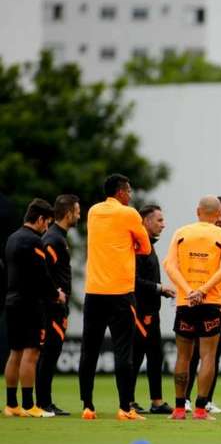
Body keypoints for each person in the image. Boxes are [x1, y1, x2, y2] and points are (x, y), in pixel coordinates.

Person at [80, 174, 151, 420]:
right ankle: (124, 407)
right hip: (120, 292)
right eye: (129, 191)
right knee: (123, 350)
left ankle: (88, 406)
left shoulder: (93, 212)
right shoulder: (129, 214)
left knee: (89, 350)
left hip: (94, 290)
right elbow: (145, 247)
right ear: (121, 192)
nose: (130, 195)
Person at [164, 196, 221, 421]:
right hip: (211, 302)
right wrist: (202, 291)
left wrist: (188, 290)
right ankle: (201, 409)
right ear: (217, 215)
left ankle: (178, 409)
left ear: (197, 211)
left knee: (183, 357)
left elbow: (169, 265)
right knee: (208, 356)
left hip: (186, 302)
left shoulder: (181, 233)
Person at [4, 199, 64, 418]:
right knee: (31, 353)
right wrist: (56, 295)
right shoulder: (33, 241)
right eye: (46, 223)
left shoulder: (11, 239)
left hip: (11, 302)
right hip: (30, 305)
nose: (46, 228)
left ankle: (11, 404)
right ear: (39, 219)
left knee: (15, 353)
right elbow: (42, 275)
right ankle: (29, 406)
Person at [185, 195, 221, 414]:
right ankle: (186, 400)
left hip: (219, 305)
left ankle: (206, 400)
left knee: (213, 355)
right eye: (219, 214)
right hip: (193, 299)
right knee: (191, 353)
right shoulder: (197, 233)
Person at [129, 204, 175, 415]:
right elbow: (134, 280)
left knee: (155, 355)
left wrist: (161, 291)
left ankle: (157, 401)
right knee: (136, 355)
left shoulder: (148, 243)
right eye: (159, 220)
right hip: (141, 310)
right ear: (146, 221)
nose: (163, 225)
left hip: (152, 309)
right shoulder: (138, 245)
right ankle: (127, 401)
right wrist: (159, 288)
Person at [36, 195, 79, 416]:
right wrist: (55, 293)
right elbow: (42, 270)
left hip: (57, 307)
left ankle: (44, 402)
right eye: (77, 211)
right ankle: (43, 403)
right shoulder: (53, 239)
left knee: (51, 353)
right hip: (51, 308)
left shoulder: (58, 237)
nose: (79, 215)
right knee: (49, 354)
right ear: (69, 212)